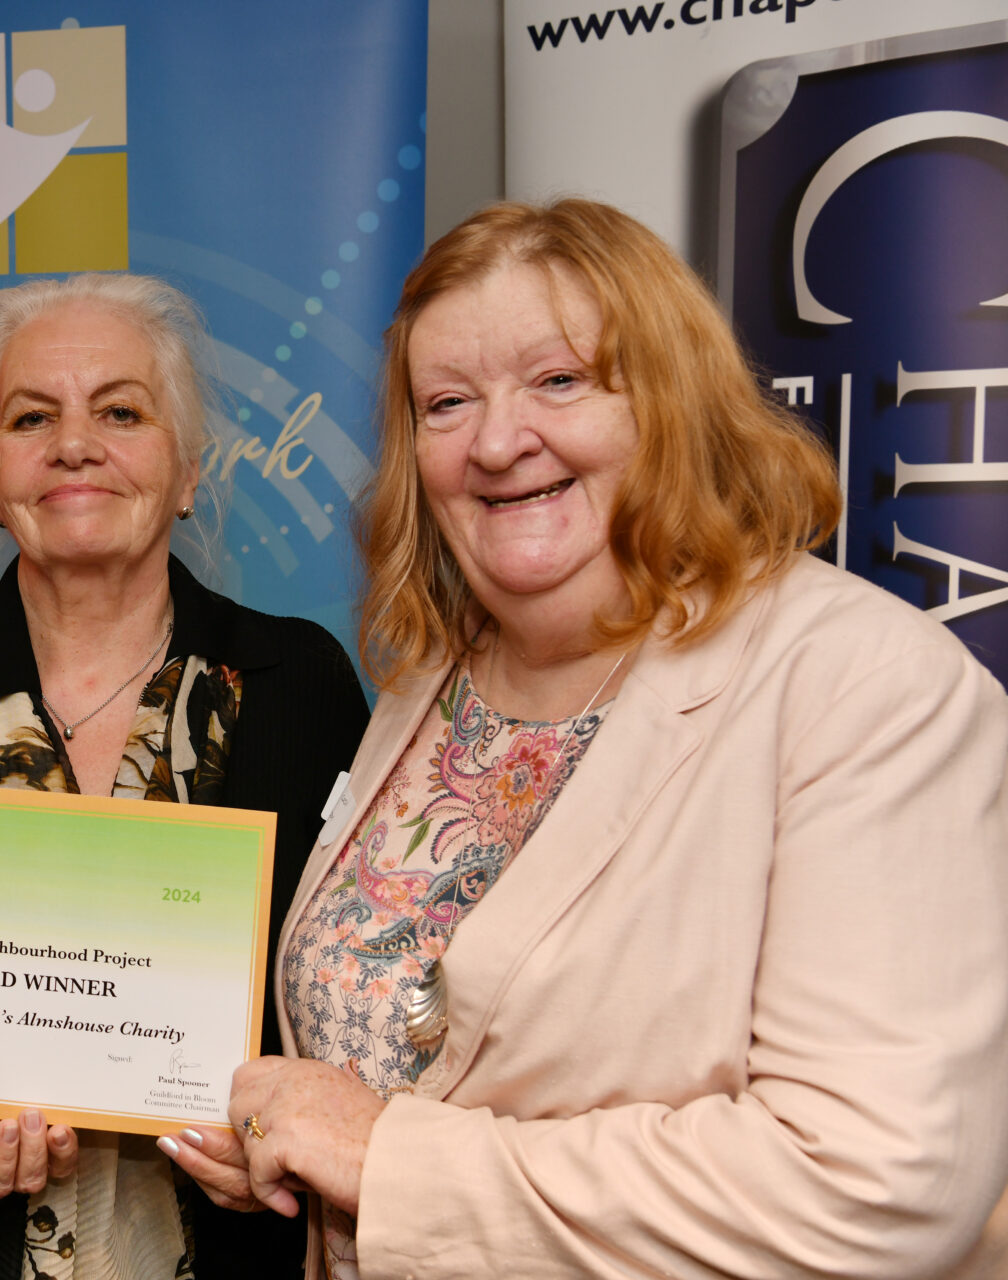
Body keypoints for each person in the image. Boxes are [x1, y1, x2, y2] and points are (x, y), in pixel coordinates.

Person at [160, 198, 1008, 1277]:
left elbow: (875, 1179)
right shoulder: (430, 679)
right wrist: (298, 1135)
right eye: (449, 401)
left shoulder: (867, 688)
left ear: (673, 401)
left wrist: (389, 1160)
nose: (501, 440)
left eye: (560, 380)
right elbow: (408, 1049)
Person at [0, 273, 370, 1279]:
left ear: (186, 468)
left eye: (121, 410)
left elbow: (362, 1031)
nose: (73, 444)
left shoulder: (298, 685)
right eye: (30, 415)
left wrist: (281, 1156)